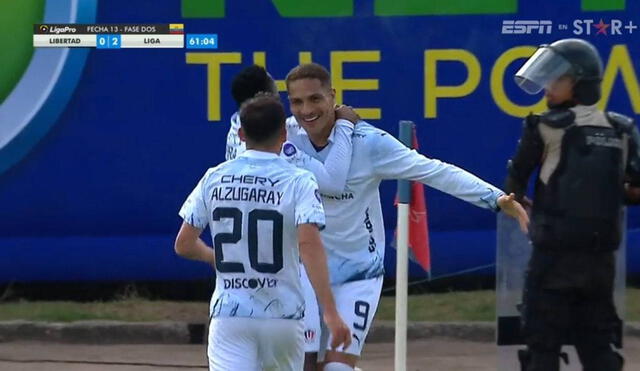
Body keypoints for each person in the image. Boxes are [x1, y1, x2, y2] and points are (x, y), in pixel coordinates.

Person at [284, 63, 530, 371]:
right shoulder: (285, 138)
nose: (307, 110)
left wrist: (494, 198)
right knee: (297, 367)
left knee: (336, 369)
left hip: (358, 274)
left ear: (332, 96)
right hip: (301, 272)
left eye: (315, 99)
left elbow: (434, 171)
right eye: (297, 102)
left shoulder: (370, 143)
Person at [175, 95, 351, 370]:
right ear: (284, 133)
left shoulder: (215, 177)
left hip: (230, 313)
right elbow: (309, 243)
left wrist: (214, 257)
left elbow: (184, 244)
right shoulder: (299, 180)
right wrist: (329, 311)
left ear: (241, 134)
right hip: (283, 315)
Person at [505, 38, 640, 371]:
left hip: (552, 261)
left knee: (542, 347)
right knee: (598, 348)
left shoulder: (543, 126)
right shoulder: (621, 129)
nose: (548, 86)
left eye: (557, 79)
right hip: (600, 263)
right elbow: (635, 189)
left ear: (580, 84)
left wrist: (520, 203)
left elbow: (514, 183)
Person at [226, 65, 357, 196]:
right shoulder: (270, 144)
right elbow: (332, 184)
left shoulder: (236, 128)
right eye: (276, 93)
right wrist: (344, 124)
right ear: (266, 98)